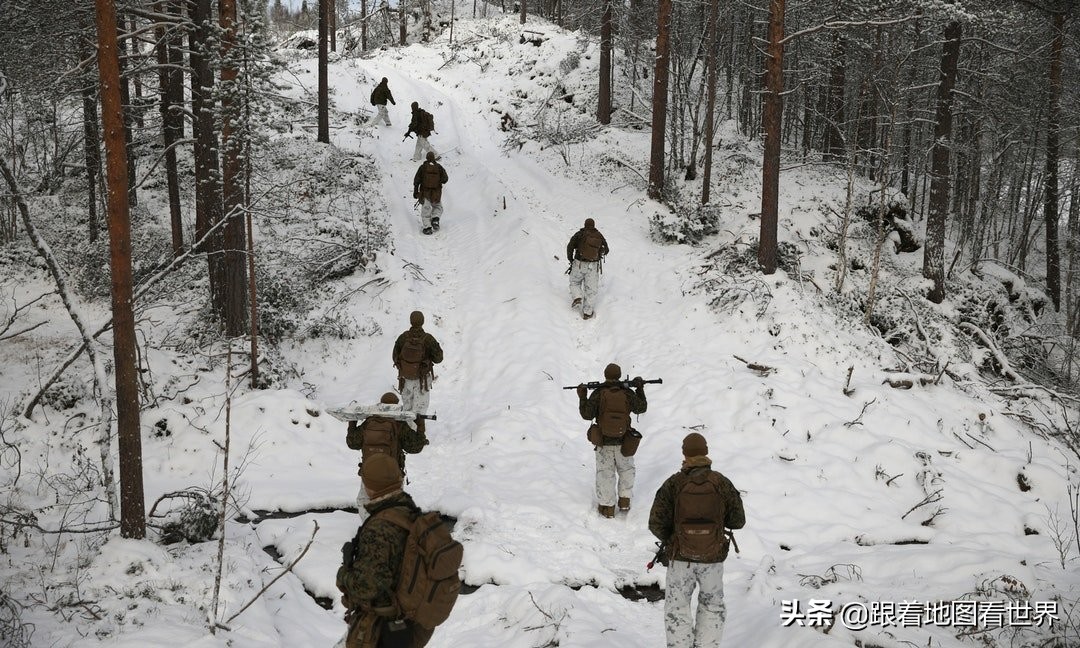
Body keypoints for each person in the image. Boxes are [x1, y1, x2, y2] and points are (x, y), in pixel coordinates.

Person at [648, 433, 745, 648]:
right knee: (712, 606)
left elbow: (655, 523)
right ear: (706, 451)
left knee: (677, 608)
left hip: (681, 560)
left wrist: (674, 539)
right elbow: (738, 521)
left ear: (684, 453)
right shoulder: (721, 482)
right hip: (713, 559)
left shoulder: (674, 483)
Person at [336, 454, 434, 648]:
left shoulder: (379, 528)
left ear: (369, 486)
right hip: (415, 620)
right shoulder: (408, 510)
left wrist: (344, 574)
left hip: (385, 626)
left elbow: (368, 585)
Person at [577, 363, 647, 518]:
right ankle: (624, 501)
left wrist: (582, 396)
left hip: (604, 443)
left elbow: (587, 414)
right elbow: (641, 408)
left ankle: (608, 508)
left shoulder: (598, 393)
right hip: (625, 442)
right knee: (626, 471)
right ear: (619, 375)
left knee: (605, 474)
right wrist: (640, 389)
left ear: (605, 375)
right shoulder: (627, 393)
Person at [346, 392, 429, 507]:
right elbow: (415, 448)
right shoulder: (399, 424)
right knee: (392, 506)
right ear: (396, 404)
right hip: (392, 474)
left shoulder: (369, 422)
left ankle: (368, 522)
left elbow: (352, 444)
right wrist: (420, 427)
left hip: (369, 472)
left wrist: (352, 423)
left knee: (364, 502)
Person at [392, 311, 444, 415]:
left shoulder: (403, 337)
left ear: (410, 321)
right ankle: (418, 430)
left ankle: (407, 429)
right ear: (423, 321)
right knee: (420, 412)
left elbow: (395, 357)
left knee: (407, 410)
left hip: (405, 379)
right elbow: (438, 359)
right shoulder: (428, 339)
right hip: (422, 380)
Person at [566, 218, 609, 320]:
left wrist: (571, 259)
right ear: (594, 225)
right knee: (591, 290)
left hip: (579, 263)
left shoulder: (580, 234)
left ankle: (577, 296)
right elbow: (606, 250)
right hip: (593, 266)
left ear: (585, 224)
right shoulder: (599, 235)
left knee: (574, 282)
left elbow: (570, 246)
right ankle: (587, 313)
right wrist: (598, 252)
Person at [413, 152, 448, 235]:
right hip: (436, 192)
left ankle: (427, 227)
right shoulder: (439, 167)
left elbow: (416, 180)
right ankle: (435, 219)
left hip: (425, 192)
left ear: (427, 158)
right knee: (438, 207)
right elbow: (445, 179)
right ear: (434, 158)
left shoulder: (423, 167)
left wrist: (415, 191)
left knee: (426, 209)